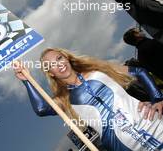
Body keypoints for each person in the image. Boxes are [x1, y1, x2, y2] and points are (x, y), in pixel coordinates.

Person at [13, 48, 163, 151]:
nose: (58, 64)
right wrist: (26, 80)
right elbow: (41, 109)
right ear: (51, 73)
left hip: (153, 125)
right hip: (123, 147)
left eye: (59, 58)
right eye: (51, 65)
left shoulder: (96, 70)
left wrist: (157, 98)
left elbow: (138, 71)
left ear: (67, 58)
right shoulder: (64, 99)